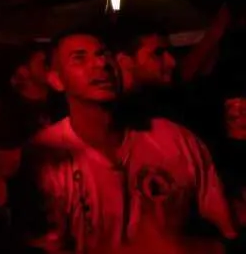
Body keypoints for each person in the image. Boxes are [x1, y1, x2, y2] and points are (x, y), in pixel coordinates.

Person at [12, 28, 237, 252]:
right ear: (56, 80)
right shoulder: (46, 154)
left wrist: (190, 247)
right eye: (79, 58)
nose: (100, 64)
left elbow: (227, 233)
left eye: (104, 54)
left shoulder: (177, 139)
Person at [0, 46, 65, 207]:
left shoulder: (62, 103)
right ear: (23, 71)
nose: (50, 65)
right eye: (43, 62)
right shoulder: (9, 111)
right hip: (32, 204)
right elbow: (4, 166)